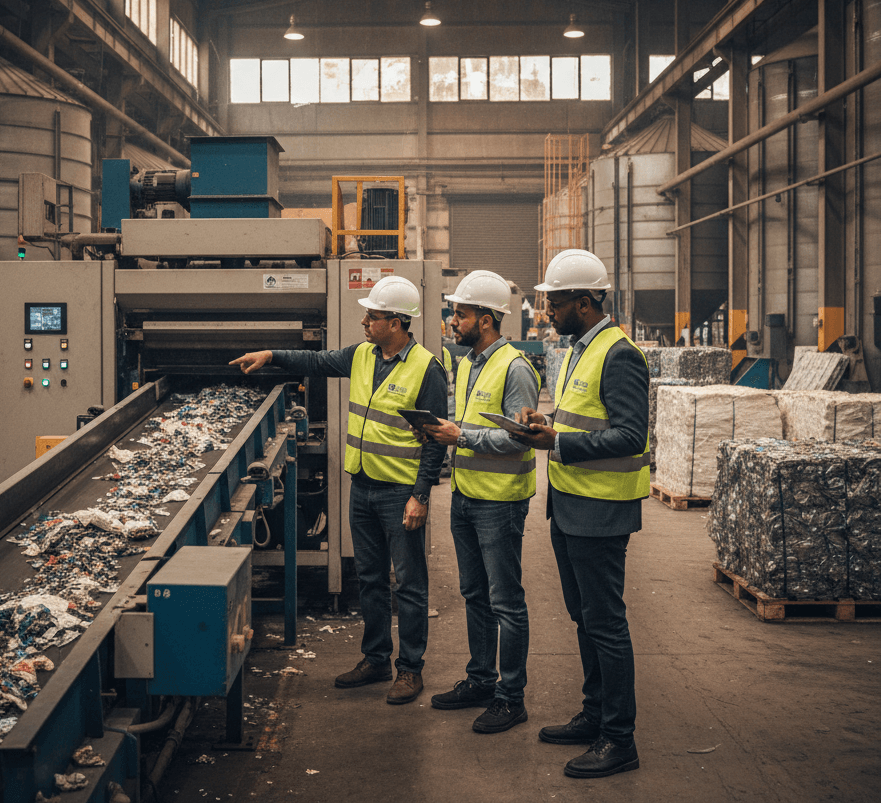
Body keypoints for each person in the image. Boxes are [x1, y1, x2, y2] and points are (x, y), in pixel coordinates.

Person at [229, 275, 448, 705]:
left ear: (399, 323)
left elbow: (436, 440)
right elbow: (316, 361)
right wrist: (271, 354)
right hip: (362, 488)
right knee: (368, 579)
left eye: (375, 316)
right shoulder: (363, 356)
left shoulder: (427, 369)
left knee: (408, 584)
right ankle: (376, 659)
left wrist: (421, 495)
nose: (365, 321)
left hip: (398, 492)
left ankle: (410, 669)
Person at [511, 249, 649, 779]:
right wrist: (540, 423)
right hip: (569, 505)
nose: (547, 311)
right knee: (584, 617)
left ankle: (620, 738)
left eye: (556, 301)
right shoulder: (574, 350)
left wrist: (557, 441)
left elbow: (630, 435)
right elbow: (581, 419)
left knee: (606, 624)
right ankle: (595, 715)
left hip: (602, 509)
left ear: (586, 302)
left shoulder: (619, 354)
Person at [420, 270, 539, 733]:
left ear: (486, 320)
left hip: (500, 503)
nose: (453, 320)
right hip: (466, 496)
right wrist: (440, 431)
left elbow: (521, 439)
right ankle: (481, 679)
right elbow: (466, 424)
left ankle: (511, 697)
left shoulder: (515, 368)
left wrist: (461, 436)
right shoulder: (466, 362)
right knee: (475, 595)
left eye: (461, 313)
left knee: (506, 601)